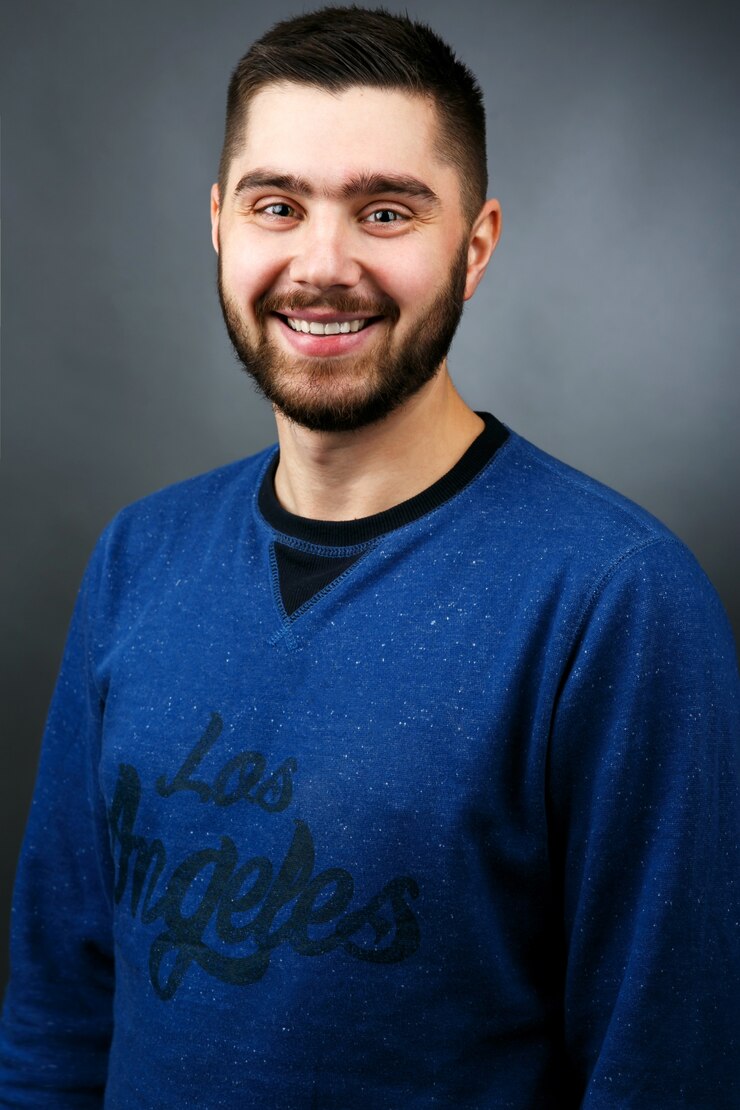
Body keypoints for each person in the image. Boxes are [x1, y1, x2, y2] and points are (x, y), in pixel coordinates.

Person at [1, 6, 737, 1107]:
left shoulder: (617, 600)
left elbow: (663, 1069)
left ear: (474, 246)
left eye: (385, 212)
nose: (322, 264)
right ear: (219, 223)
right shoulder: (137, 557)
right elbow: (57, 1015)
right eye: (277, 206)